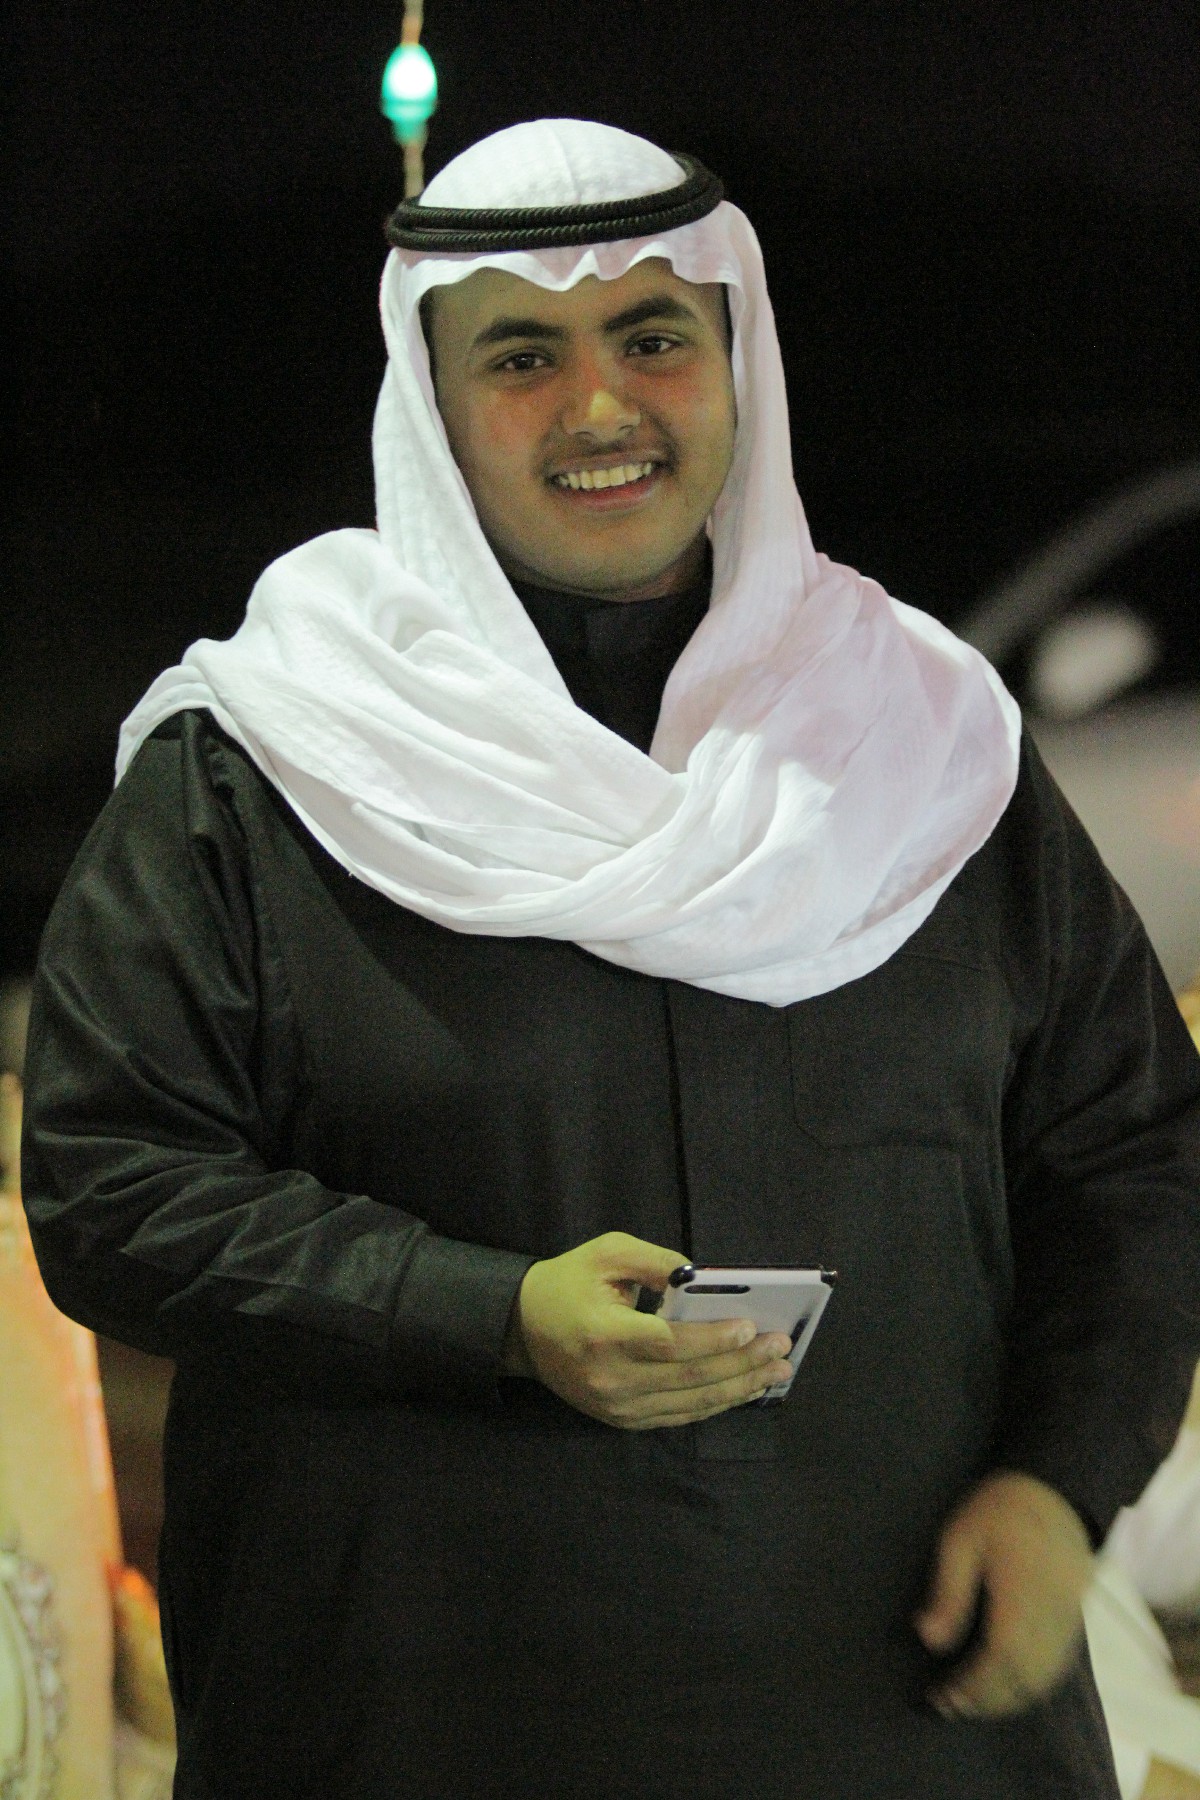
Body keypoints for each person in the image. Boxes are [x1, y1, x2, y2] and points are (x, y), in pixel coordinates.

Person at [19, 119, 1200, 1799]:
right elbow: (108, 1182)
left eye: (652, 337)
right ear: (430, 403)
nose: (599, 406)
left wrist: (1061, 1484)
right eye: (522, 356)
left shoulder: (921, 740)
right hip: (421, 1715)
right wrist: (485, 1314)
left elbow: (1134, 1151)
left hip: (906, 1714)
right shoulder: (268, 762)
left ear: (735, 360)